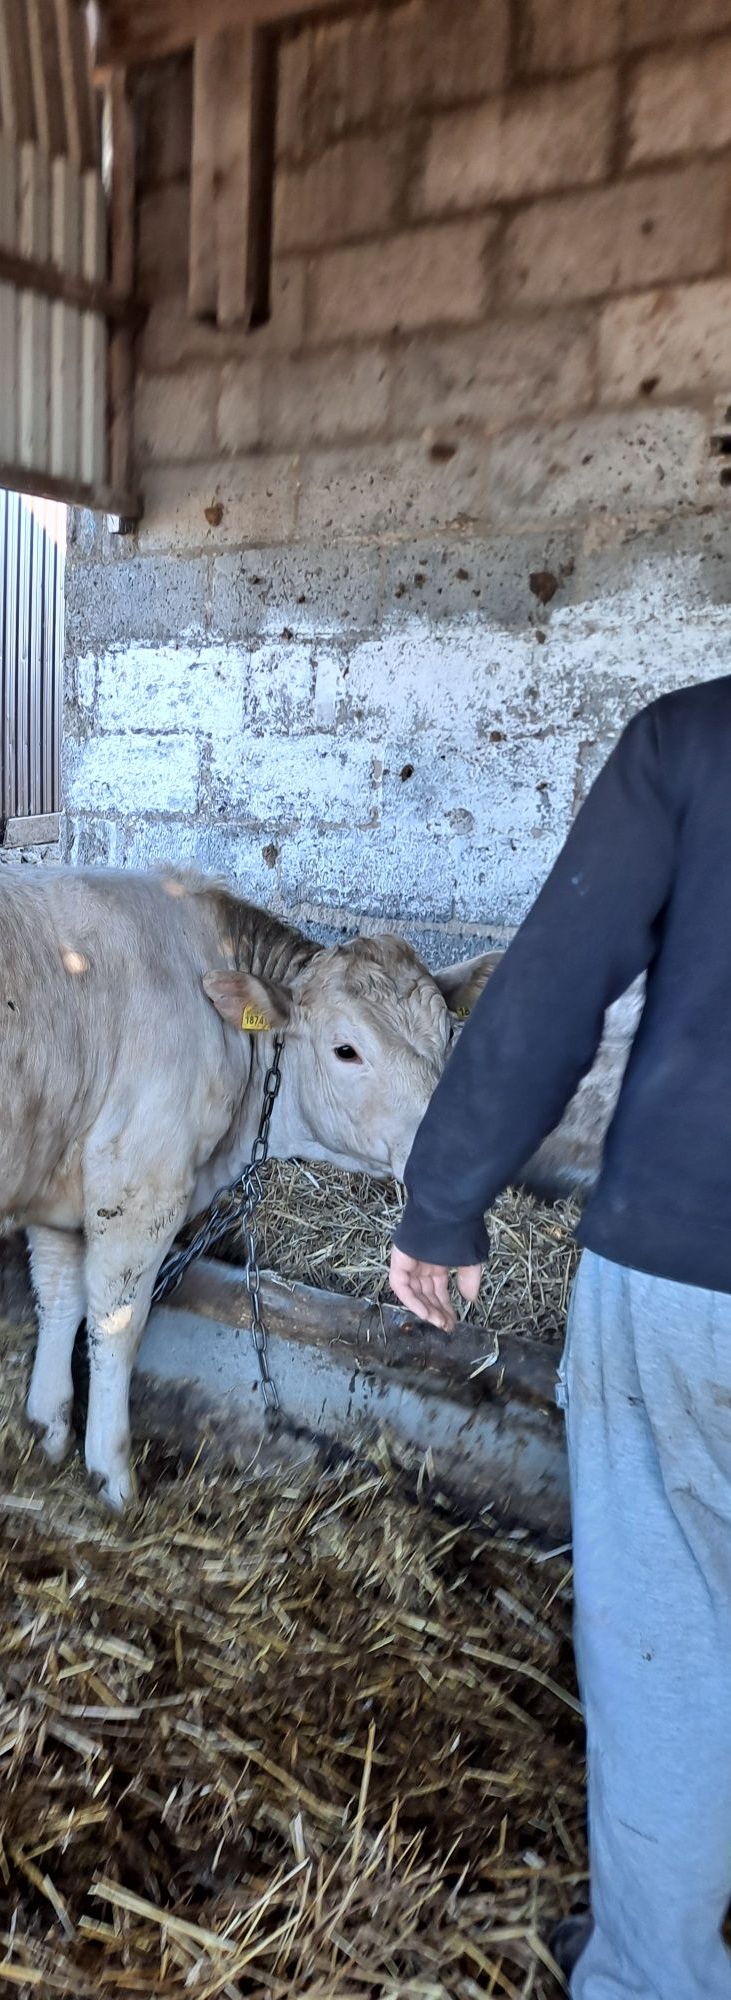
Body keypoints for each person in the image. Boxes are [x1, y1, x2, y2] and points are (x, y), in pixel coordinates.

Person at [387, 674, 731, 2000]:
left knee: (673, 1644)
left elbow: (552, 981)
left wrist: (445, 1201)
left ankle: (656, 1977)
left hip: (688, 1264)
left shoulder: (695, 741)